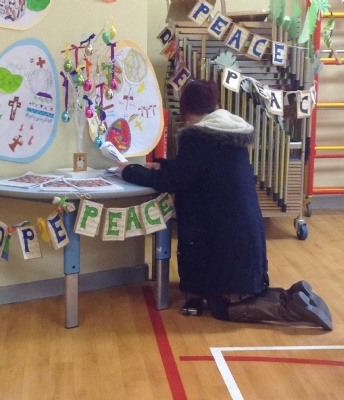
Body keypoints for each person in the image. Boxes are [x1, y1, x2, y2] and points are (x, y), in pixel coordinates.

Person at [117, 79, 332, 331]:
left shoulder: (198, 137)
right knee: (243, 291)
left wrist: (128, 170)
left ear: (186, 112)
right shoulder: (228, 132)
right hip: (242, 232)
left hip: (224, 238)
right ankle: (291, 295)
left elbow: (173, 180)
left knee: (223, 307)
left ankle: (288, 309)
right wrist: (161, 165)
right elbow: (194, 170)